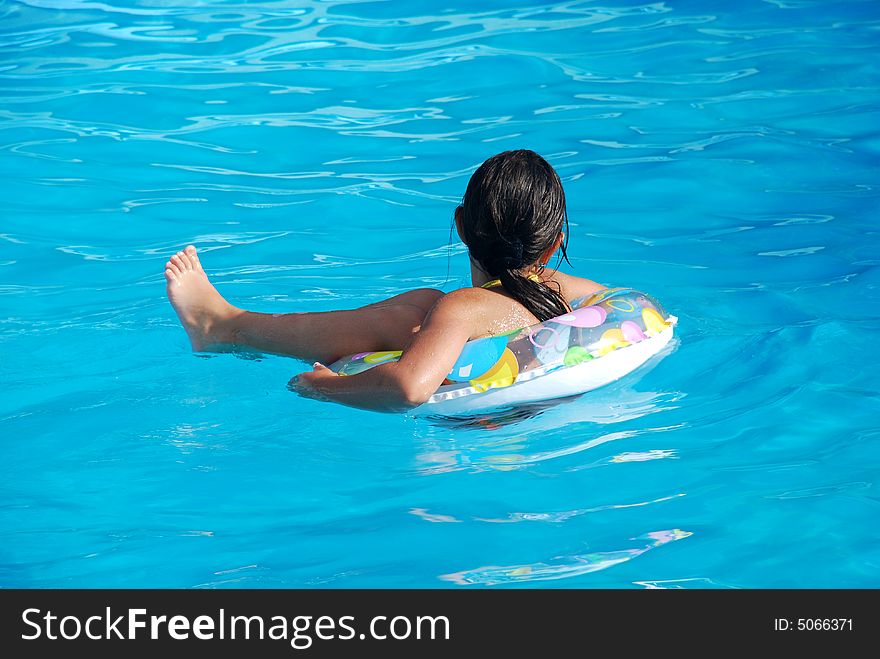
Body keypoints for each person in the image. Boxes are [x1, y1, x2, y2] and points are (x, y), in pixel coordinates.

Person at [165, 149, 605, 412]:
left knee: (416, 312)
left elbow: (410, 388)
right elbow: (619, 300)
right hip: (521, 434)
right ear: (554, 244)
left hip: (472, 434)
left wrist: (324, 386)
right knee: (421, 309)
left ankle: (226, 327)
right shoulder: (569, 290)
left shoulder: (462, 308)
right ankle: (226, 327)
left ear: (461, 226)